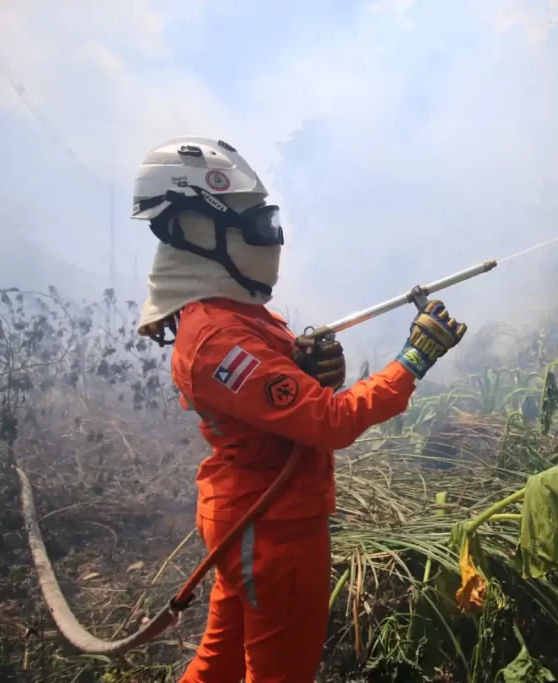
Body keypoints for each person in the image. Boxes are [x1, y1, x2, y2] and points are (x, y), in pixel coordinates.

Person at [130, 137, 467, 682]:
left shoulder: (229, 315)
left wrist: (302, 363)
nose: (271, 240)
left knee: (218, 663)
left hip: (250, 516)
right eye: (260, 226)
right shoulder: (217, 336)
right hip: (271, 529)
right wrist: (413, 360)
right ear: (198, 233)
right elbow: (329, 423)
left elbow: (275, 390)